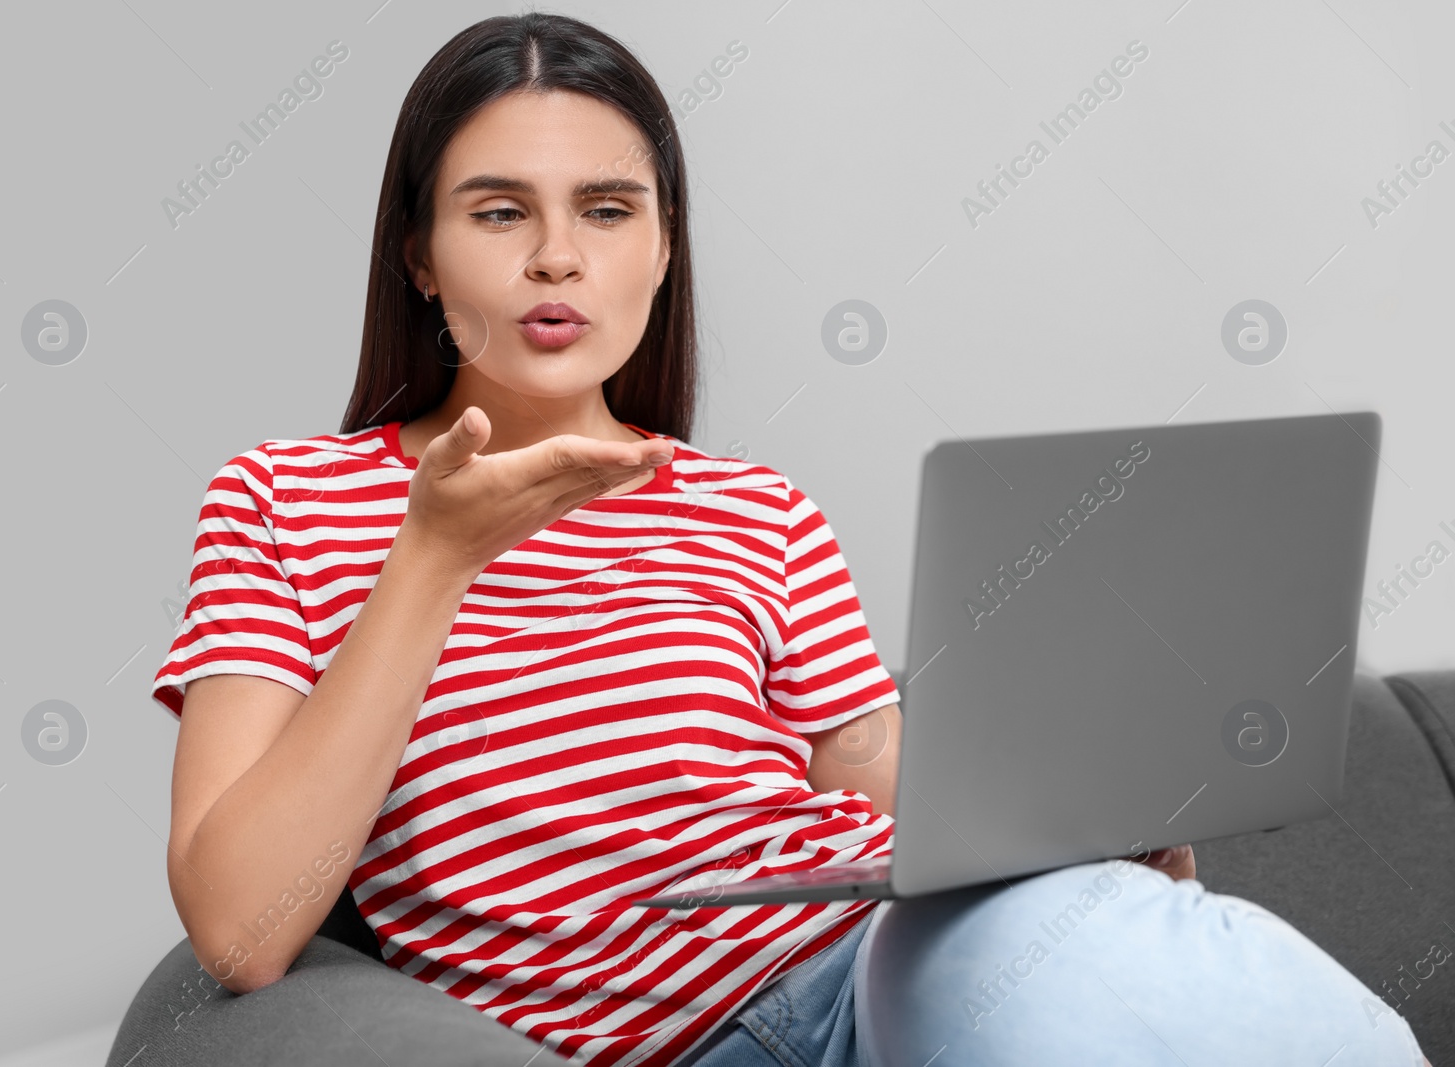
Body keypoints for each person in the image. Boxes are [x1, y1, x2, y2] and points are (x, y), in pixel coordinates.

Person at [150, 12, 1431, 1067]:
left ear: (661, 248)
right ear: (420, 258)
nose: (557, 259)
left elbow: (883, 787)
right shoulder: (288, 498)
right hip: (696, 1034)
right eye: (497, 214)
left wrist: (1068, 831)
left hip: (884, 957)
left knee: (1095, 933)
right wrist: (432, 556)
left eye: (607, 210)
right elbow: (241, 929)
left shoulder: (753, 506)